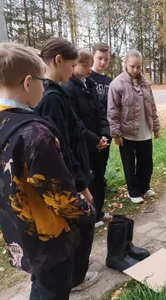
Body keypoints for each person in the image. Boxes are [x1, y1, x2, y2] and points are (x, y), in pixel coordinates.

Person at [0, 42, 94, 300]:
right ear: (28, 82)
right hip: (50, 236)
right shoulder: (34, 133)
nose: (44, 85)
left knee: (42, 282)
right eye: (41, 80)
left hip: (18, 229)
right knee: (54, 288)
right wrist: (86, 210)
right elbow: (59, 195)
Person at [34, 37, 98, 291]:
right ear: (58, 61)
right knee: (83, 222)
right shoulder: (51, 98)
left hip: (72, 175)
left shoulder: (54, 93)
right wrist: (81, 186)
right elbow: (62, 148)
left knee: (79, 227)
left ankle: (75, 269)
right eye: (72, 65)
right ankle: (76, 278)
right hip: (69, 180)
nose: (73, 71)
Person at [62, 49, 111, 227]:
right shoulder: (68, 89)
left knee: (99, 177)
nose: (90, 68)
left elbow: (100, 111)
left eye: (91, 64)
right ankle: (90, 215)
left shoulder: (89, 84)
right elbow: (76, 122)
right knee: (88, 178)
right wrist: (94, 140)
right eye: (86, 65)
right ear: (74, 65)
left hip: (101, 141)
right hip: (85, 144)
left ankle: (99, 210)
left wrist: (105, 135)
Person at [108, 49, 160, 204]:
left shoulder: (144, 82)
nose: (136, 70)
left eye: (138, 67)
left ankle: (144, 187)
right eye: (132, 66)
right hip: (127, 132)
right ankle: (134, 191)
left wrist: (156, 127)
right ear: (125, 64)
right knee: (130, 164)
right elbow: (112, 110)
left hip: (144, 131)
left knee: (146, 163)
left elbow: (152, 105)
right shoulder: (117, 84)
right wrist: (116, 134)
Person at [90, 42, 118, 195]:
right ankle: (93, 188)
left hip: (107, 128)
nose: (103, 62)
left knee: (103, 160)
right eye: (99, 58)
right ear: (93, 57)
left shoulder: (109, 81)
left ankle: (102, 184)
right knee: (92, 161)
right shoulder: (88, 78)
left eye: (106, 59)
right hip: (92, 129)